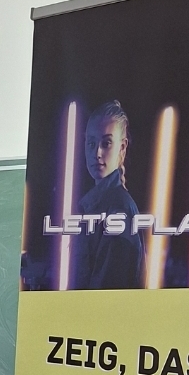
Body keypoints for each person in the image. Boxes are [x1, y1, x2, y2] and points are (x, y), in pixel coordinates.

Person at [73, 100, 143, 289]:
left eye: (106, 143)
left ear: (122, 148)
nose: (97, 152)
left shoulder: (118, 209)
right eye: (91, 143)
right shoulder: (99, 205)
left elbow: (106, 290)